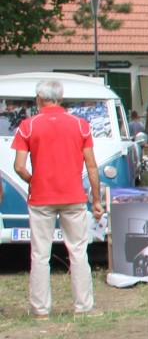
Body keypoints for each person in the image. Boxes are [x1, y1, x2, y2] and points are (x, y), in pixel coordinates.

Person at [13, 79, 103, 318]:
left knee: (40, 254)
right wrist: (96, 199)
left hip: (41, 197)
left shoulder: (27, 126)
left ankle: (40, 309)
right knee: (78, 252)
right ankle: (83, 307)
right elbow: (92, 166)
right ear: (61, 98)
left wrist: (34, 180)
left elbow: (19, 166)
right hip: (73, 195)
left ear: (39, 99)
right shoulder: (80, 125)